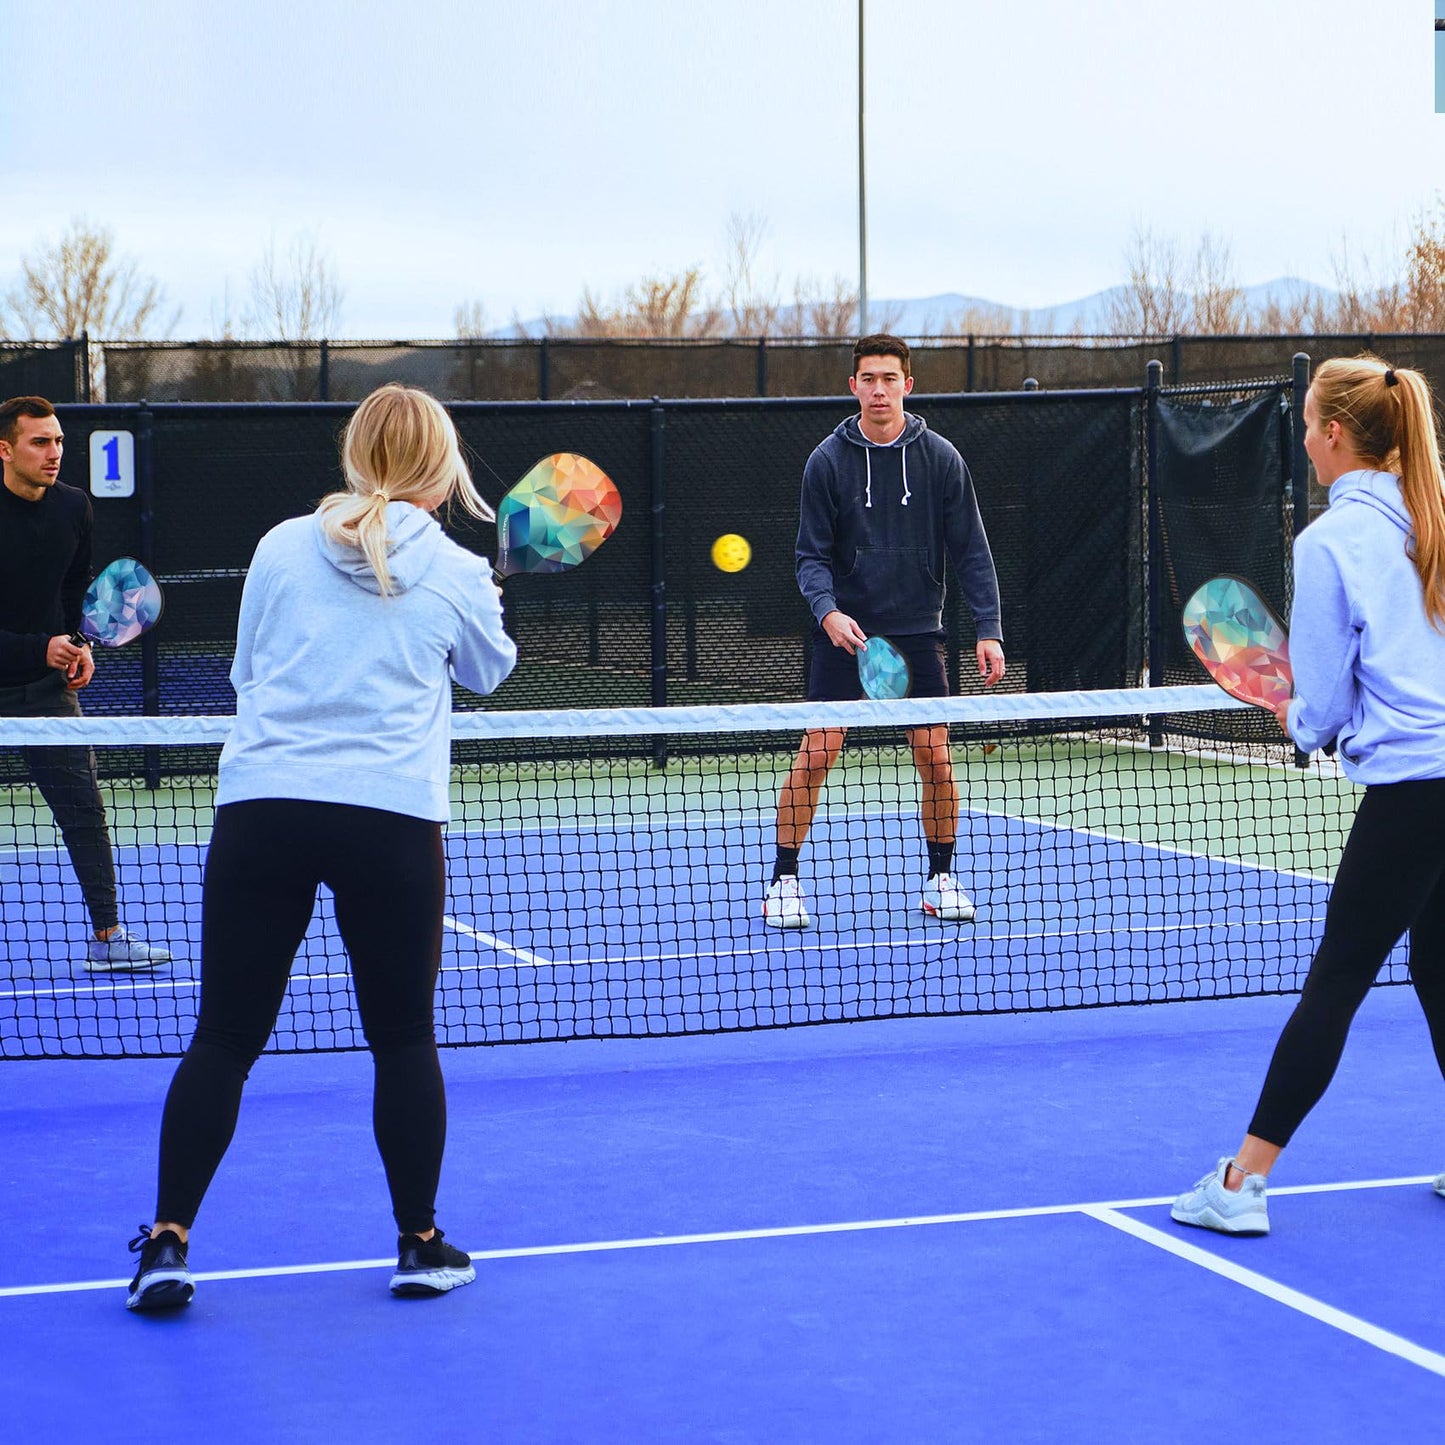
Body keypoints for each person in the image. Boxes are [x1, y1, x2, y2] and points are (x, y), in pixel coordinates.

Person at [125, 384, 517, 1310]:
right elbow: (489, 674)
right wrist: (484, 599)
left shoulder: (277, 544)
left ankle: (167, 1242)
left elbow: (248, 672)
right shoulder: (457, 569)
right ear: (441, 463)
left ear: (355, 453)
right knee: (403, 1037)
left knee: (222, 1037)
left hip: (263, 809)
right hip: (390, 819)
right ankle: (419, 1243)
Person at [1172, 355, 1445, 1236]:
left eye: (1302, 422)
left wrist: (1291, 713)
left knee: (1335, 980)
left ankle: (1241, 1180)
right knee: (1437, 965)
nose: (1299, 437)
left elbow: (1319, 707)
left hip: (1413, 792)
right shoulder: (1433, 512)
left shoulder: (1326, 542)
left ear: (1333, 435)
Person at [762, 335, 1006, 929]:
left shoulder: (942, 459)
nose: (878, 389)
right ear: (853, 386)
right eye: (868, 378)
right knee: (817, 754)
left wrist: (988, 627)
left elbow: (970, 549)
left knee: (935, 758)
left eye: (889, 378)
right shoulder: (826, 461)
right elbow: (809, 557)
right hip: (847, 635)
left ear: (908, 385)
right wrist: (828, 613)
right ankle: (783, 882)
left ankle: (942, 878)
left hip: (920, 631)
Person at [0, 395, 172, 971]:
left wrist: (76, 644)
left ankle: (108, 936)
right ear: (6, 448)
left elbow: (74, 589)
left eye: (59, 442)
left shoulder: (75, 508)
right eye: (39, 442)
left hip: (47, 692)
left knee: (85, 812)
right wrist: (37, 646)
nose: (54, 454)